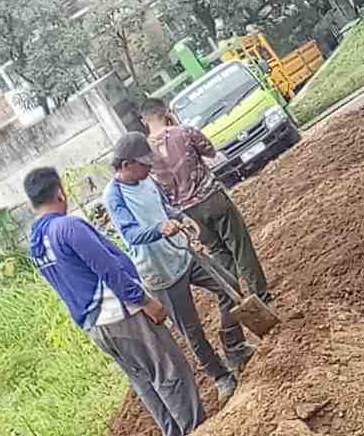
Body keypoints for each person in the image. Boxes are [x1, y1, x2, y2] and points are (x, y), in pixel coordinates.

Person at [24, 166, 204, 436]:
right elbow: (109, 270)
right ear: (60, 193)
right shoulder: (68, 227)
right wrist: (146, 301)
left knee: (143, 381)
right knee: (169, 371)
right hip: (121, 315)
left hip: (95, 325)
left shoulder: (36, 243)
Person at [103, 131, 254, 404]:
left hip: (183, 255)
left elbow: (166, 208)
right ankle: (220, 377)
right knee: (192, 330)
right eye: (144, 164)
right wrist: (160, 229)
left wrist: (180, 217)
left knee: (228, 283)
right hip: (160, 273)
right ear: (126, 166)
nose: (150, 168)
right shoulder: (114, 196)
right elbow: (131, 235)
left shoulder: (147, 180)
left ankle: (234, 346)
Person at [138, 97, 273, 305]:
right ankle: (261, 296)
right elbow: (209, 151)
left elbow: (155, 189)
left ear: (143, 120)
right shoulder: (184, 132)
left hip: (187, 214)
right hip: (211, 197)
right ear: (165, 112)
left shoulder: (145, 156)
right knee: (240, 246)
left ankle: (238, 301)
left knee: (219, 253)